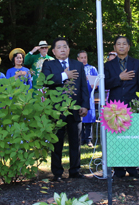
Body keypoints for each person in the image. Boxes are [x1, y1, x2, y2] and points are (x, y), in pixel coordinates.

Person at [41, 37, 90, 182]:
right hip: (56, 110)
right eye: (59, 47)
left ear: (69, 49)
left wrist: (85, 105)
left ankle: (75, 171)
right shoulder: (48, 64)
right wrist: (64, 75)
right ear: (54, 51)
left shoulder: (78, 65)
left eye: (65, 47)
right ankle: (57, 173)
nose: (62, 49)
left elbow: (83, 87)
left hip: (75, 109)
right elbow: (45, 81)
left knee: (76, 142)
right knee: (57, 142)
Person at [104, 36, 139, 179]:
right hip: (114, 107)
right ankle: (119, 170)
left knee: (132, 138)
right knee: (117, 138)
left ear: (128, 47)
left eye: (124, 44)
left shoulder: (137, 63)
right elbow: (106, 84)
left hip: (132, 105)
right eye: (118, 44)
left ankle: (133, 169)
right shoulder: (108, 65)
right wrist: (119, 78)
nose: (121, 46)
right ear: (114, 47)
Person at [77, 50, 98, 148]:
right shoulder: (76, 68)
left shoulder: (92, 68)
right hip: (79, 97)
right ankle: (80, 139)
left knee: (89, 118)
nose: (84, 59)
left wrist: (95, 85)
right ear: (78, 59)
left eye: (85, 57)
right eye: (81, 57)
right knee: (79, 119)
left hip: (89, 96)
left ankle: (89, 139)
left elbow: (97, 82)